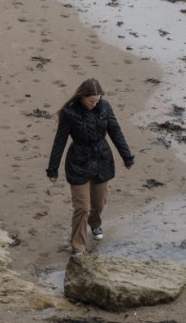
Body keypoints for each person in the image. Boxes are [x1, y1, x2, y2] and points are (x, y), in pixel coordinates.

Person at [46, 78, 134, 256]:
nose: (94, 103)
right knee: (81, 207)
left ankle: (95, 224)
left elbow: (116, 132)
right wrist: (52, 169)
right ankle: (78, 246)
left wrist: (127, 156)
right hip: (78, 161)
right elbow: (59, 141)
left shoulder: (106, 107)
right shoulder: (69, 113)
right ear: (82, 97)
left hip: (102, 158)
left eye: (97, 99)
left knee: (98, 203)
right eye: (90, 100)